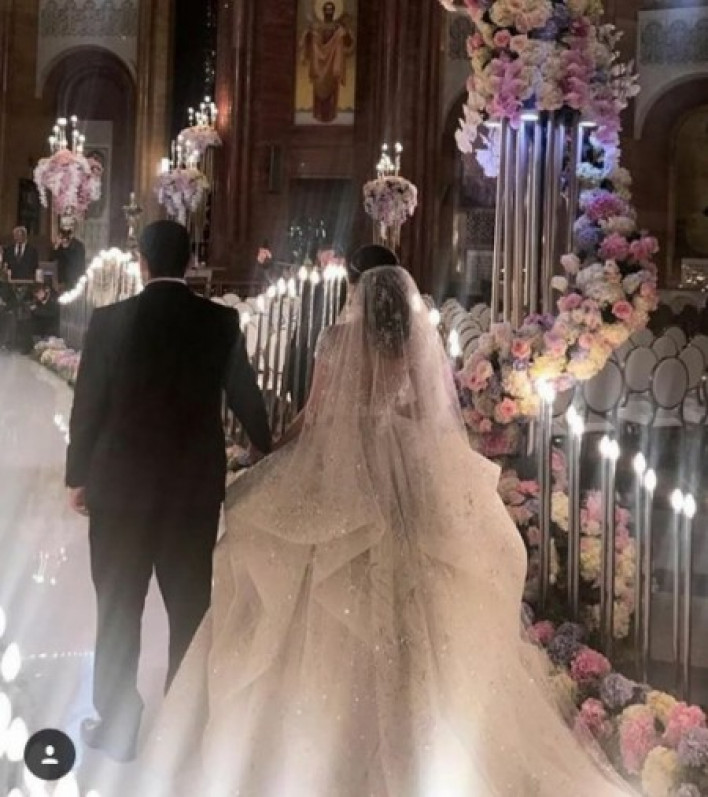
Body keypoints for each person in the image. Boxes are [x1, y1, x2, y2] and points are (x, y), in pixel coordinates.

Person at [139, 266, 634, 796]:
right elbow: (427, 412)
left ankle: (316, 745)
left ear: (359, 299)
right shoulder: (407, 347)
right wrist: (402, 437)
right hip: (398, 460)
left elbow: (315, 414)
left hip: (341, 466)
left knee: (321, 581)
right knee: (408, 587)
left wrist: (275, 451)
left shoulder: (336, 340)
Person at [65, 220, 272, 763]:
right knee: (188, 608)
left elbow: (88, 403)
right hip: (190, 492)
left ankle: (118, 725)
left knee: (117, 607)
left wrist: (78, 477)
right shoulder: (218, 321)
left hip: (120, 489)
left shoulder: (110, 320)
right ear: (190, 263)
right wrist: (269, 447)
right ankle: (181, 728)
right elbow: (246, 396)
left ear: (142, 261)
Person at [287, 243, 399, 414]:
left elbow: (313, 410)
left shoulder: (332, 338)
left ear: (355, 287)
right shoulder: (409, 342)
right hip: (392, 430)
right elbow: (423, 406)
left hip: (339, 429)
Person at [299, 1, 355, 123]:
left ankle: (331, 115)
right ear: (323, 11)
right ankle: (318, 114)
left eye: (331, 10)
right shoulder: (317, 27)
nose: (329, 12)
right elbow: (308, 41)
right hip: (319, 66)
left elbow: (349, 44)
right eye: (327, 9)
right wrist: (309, 33)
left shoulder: (338, 28)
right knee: (319, 90)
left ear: (334, 12)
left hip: (333, 66)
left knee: (332, 91)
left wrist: (345, 32)